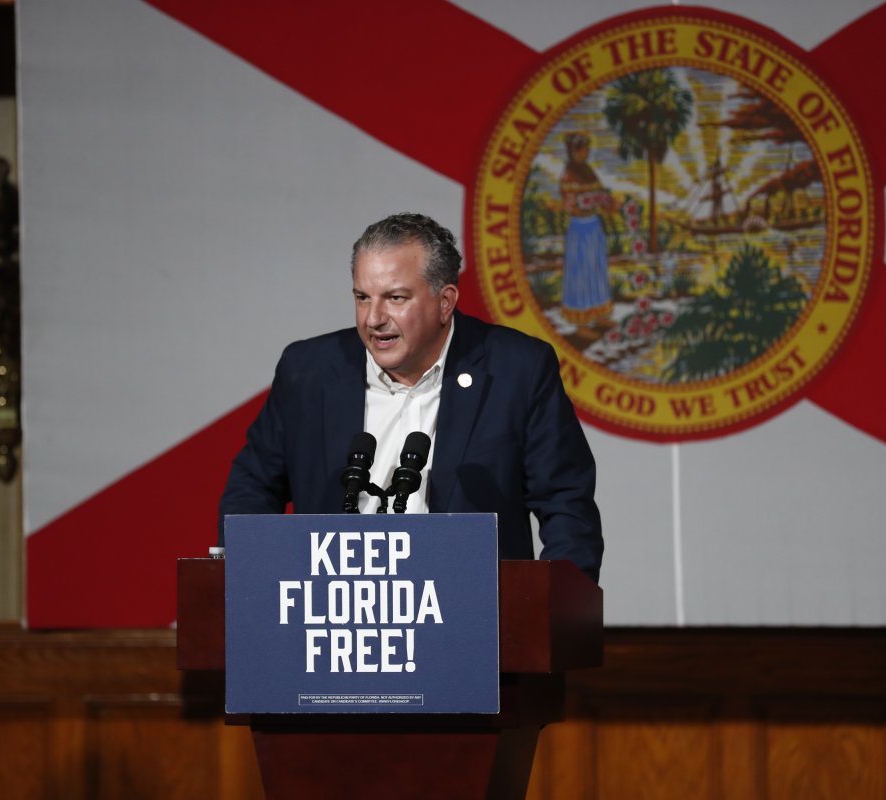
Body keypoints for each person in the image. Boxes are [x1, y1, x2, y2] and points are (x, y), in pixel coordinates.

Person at [219, 213, 603, 580]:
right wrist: (247, 583)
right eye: (362, 297)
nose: (373, 318)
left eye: (396, 298)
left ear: (445, 301)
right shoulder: (309, 371)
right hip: (337, 618)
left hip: (471, 618)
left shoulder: (516, 370)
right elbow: (252, 487)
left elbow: (565, 503)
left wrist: (550, 614)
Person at [560, 132, 614, 327]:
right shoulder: (568, 174)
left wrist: (605, 201)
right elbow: (569, 204)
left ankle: (599, 315)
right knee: (580, 274)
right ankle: (581, 324)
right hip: (579, 228)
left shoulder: (589, 171)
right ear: (574, 152)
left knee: (596, 270)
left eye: (587, 150)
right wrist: (582, 203)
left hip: (594, 226)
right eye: (583, 150)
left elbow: (600, 194)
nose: (586, 153)